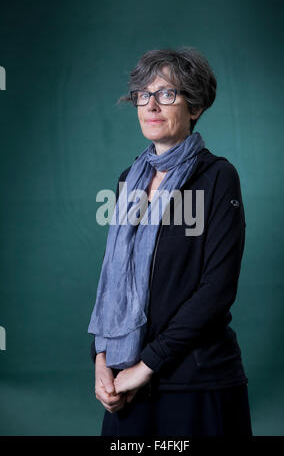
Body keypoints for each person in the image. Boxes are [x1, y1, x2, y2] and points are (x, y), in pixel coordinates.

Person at [87, 47, 253, 436]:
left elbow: (217, 290)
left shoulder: (216, 177)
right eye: (143, 95)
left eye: (167, 94)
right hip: (124, 379)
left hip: (196, 381)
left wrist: (145, 366)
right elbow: (113, 280)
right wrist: (101, 360)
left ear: (194, 108)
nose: (152, 105)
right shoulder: (130, 179)